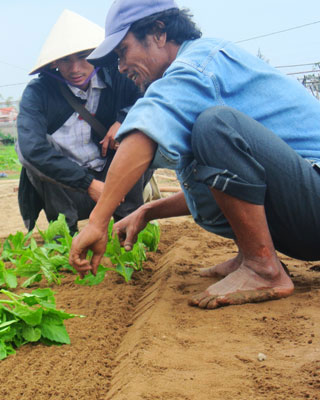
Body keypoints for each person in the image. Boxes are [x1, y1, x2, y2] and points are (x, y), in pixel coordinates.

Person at [69, 0, 320, 308]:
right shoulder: (196, 81)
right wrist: (148, 211)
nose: (120, 67)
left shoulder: (197, 64)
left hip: (314, 202)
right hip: (306, 215)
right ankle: (251, 255)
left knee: (214, 125)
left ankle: (262, 266)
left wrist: (97, 221)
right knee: (201, 143)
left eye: (123, 51)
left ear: (159, 33)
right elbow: (230, 182)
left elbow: (143, 131)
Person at [16, 9, 155, 233]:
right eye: (65, 60)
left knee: (140, 131)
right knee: (29, 152)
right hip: (68, 187)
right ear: (54, 63)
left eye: (83, 57)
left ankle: (127, 224)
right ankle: (65, 233)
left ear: (96, 54)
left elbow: (151, 98)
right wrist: (88, 184)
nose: (75, 69)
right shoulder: (38, 93)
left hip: (115, 179)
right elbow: (32, 148)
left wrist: (124, 118)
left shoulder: (119, 77)